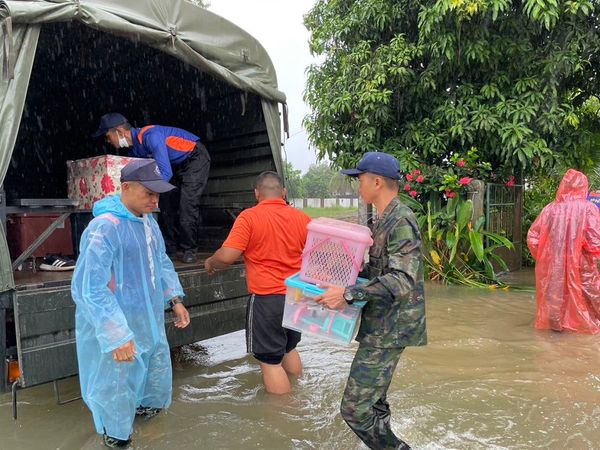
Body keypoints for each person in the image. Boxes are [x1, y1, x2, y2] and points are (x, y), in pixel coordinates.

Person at [71, 159, 191, 448]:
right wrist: (116, 334)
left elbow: (161, 263)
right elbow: (90, 288)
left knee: (154, 380)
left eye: (158, 193)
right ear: (125, 187)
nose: (155, 199)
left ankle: (149, 429)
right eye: (148, 193)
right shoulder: (104, 228)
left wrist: (175, 299)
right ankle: (116, 437)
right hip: (117, 327)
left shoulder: (148, 222)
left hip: (148, 322)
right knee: (116, 387)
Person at [315, 152, 427, 450]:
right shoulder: (383, 218)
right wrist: (342, 280)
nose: (357, 187)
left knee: (354, 410)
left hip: (390, 329)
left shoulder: (401, 220)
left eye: (360, 181)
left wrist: (349, 294)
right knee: (374, 405)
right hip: (382, 325)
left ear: (377, 182)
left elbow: (403, 280)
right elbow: (378, 272)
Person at [204, 171, 311, 394]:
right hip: (297, 297)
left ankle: (284, 414)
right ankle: (301, 396)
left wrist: (211, 262)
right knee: (289, 349)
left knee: (270, 362)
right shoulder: (302, 218)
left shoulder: (249, 217)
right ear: (283, 192)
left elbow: (227, 256)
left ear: (256, 193)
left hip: (267, 299)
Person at [93, 112, 211, 263]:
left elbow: (165, 172)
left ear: (119, 132)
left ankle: (189, 249)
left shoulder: (151, 135)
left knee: (186, 204)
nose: (108, 141)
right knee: (165, 205)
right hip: (174, 165)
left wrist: (146, 192)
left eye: (107, 136)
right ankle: (170, 248)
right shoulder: (134, 149)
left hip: (194, 158)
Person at [527, 169, 600, 334]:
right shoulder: (589, 208)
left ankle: (557, 328)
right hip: (582, 262)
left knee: (555, 293)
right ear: (583, 186)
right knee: (589, 292)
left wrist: (545, 255)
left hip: (555, 262)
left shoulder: (550, 209)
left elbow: (533, 236)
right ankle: (585, 325)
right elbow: (595, 240)